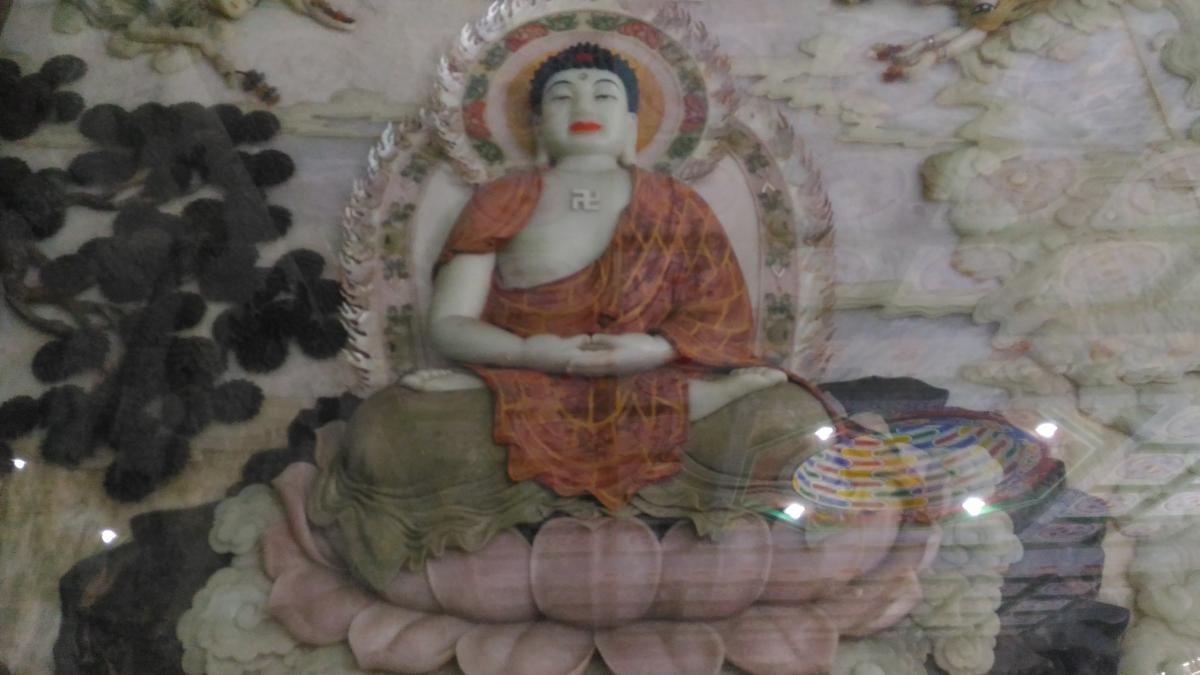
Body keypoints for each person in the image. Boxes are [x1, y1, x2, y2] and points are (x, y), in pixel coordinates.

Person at [307, 43, 835, 591]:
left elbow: (719, 316)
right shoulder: (504, 198)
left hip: (650, 373)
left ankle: (693, 403)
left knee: (790, 421)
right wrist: (534, 352)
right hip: (527, 382)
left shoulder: (676, 203)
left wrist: (652, 347)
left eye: (603, 95)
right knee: (390, 428)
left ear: (631, 124)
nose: (583, 106)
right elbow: (451, 323)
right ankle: (688, 413)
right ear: (536, 124)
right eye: (562, 97)